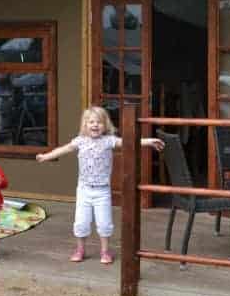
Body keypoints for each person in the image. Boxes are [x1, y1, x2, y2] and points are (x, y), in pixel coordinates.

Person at [36, 106, 164, 264]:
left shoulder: (109, 141)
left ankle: (104, 251)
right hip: (84, 190)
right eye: (91, 122)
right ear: (85, 125)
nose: (95, 125)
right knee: (81, 222)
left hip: (102, 191)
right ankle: (80, 249)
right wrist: (46, 156)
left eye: (99, 122)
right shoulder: (80, 141)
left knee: (104, 223)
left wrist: (149, 141)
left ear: (105, 125)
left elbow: (129, 141)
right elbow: (64, 149)